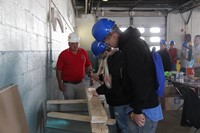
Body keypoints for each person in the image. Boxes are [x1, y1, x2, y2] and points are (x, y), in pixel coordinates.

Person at [92, 18, 163, 133]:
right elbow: (129, 77)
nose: (107, 44)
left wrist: (137, 110)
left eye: (106, 41)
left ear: (113, 35)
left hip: (145, 108)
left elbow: (141, 80)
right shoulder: (130, 45)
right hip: (140, 105)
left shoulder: (132, 47)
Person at [91, 40, 131, 133]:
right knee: (117, 124)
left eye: (100, 56)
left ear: (105, 52)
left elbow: (113, 82)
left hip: (120, 99)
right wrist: (99, 77)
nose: (100, 58)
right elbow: (109, 75)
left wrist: (98, 91)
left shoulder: (114, 60)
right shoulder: (110, 59)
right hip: (116, 99)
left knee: (123, 126)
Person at [56, 32, 93, 99]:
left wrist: (91, 77)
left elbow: (88, 65)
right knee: (70, 104)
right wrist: (60, 83)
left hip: (81, 83)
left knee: (81, 103)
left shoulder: (83, 52)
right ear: (69, 44)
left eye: (77, 43)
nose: (75, 46)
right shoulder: (63, 54)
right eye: (73, 44)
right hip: (68, 85)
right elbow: (59, 70)